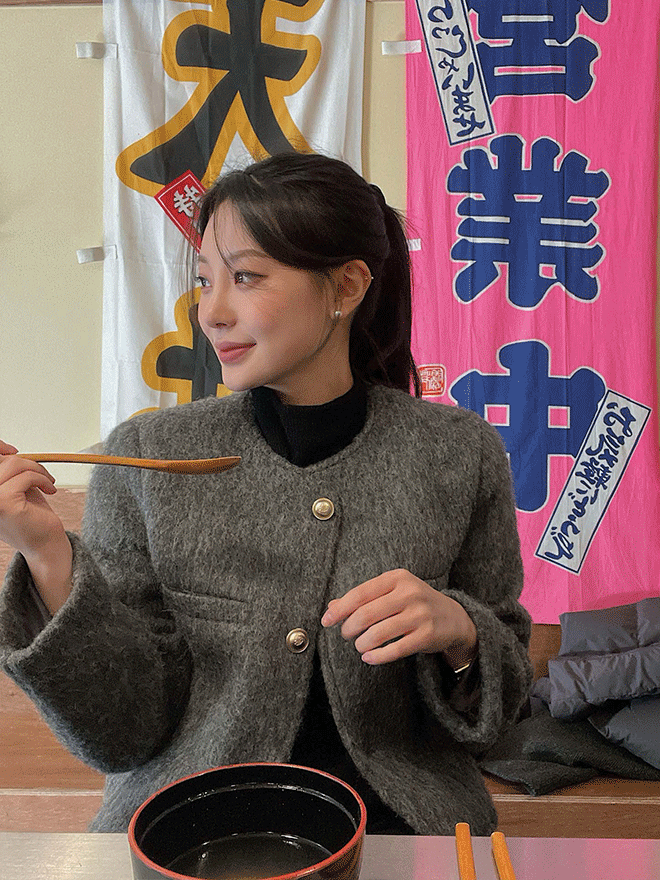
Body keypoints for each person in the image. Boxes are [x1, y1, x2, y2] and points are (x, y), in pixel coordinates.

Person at [0, 152, 532, 835]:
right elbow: (119, 735)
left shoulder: (458, 453)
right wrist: (47, 555)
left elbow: (500, 712)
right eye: (205, 281)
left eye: (246, 277)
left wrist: (461, 631)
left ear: (346, 285)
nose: (212, 312)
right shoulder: (146, 457)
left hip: (401, 829)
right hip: (189, 829)